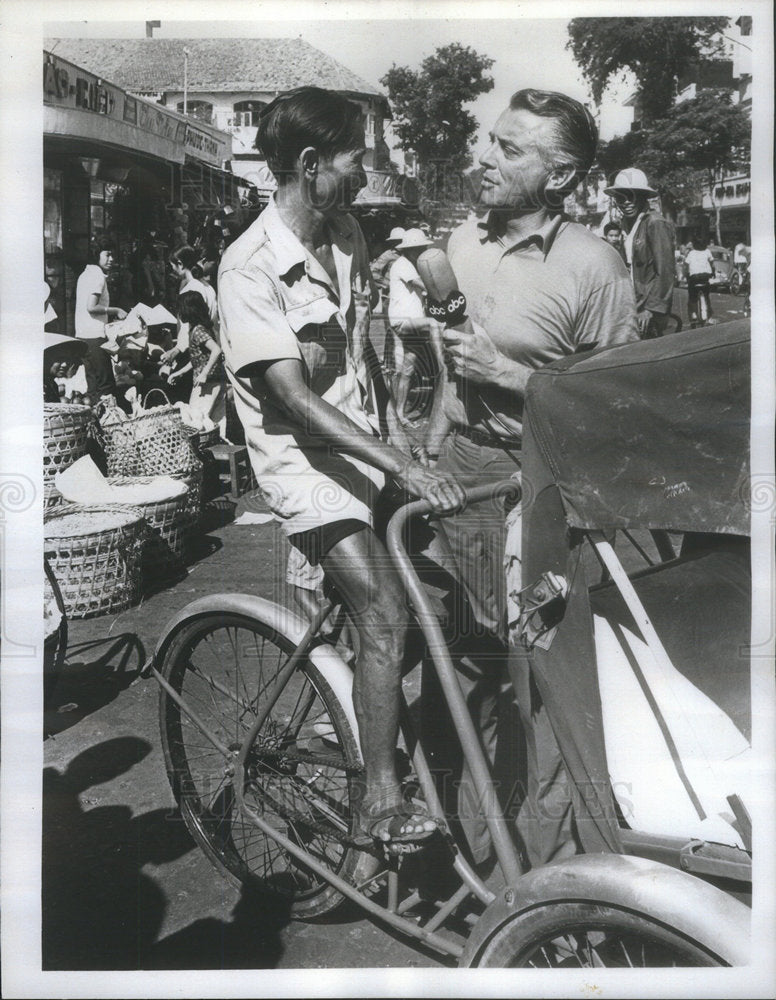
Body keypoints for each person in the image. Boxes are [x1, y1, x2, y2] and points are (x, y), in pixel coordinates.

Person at [217, 86, 466, 851]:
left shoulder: (348, 234)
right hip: (303, 465)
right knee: (387, 615)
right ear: (310, 163)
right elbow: (289, 399)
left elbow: (363, 361)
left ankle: (362, 710)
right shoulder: (248, 266)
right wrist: (397, 459)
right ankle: (378, 801)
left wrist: (403, 442)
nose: (368, 170)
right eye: (359, 156)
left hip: (362, 449)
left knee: (445, 606)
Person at [420, 88, 639, 870]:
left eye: (510, 149)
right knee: (468, 670)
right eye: (489, 138)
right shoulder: (462, 242)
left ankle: (556, 886)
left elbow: (618, 409)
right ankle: (480, 856)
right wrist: (430, 447)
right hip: (461, 480)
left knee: (541, 688)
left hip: (541, 488)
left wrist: (514, 377)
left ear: (562, 175)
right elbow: (449, 374)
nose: (483, 155)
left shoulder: (594, 265)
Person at [604, 167, 675, 339]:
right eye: (621, 197)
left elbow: (665, 270)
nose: (626, 202)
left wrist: (651, 309)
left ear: (643, 197)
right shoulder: (626, 225)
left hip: (647, 311)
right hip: (630, 307)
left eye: (632, 196)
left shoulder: (655, 223)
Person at [387, 227, 437, 428]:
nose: (423, 250)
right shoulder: (403, 264)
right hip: (404, 321)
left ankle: (400, 413)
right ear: (409, 249)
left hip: (412, 323)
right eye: (420, 248)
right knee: (436, 329)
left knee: (408, 369)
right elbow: (424, 286)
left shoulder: (410, 264)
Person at [169, 290, 228, 439]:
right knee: (215, 420)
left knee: (197, 420)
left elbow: (216, 350)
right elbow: (199, 358)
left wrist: (204, 374)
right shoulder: (201, 328)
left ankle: (205, 454)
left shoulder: (197, 330)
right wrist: (180, 372)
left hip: (207, 383)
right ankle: (219, 452)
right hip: (216, 379)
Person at [74, 239, 127, 400]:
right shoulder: (97, 275)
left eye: (113, 255)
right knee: (106, 386)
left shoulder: (85, 274)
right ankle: (109, 423)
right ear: (96, 255)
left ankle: (95, 423)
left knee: (93, 387)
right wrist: (116, 310)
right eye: (107, 255)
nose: (112, 259)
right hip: (95, 337)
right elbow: (91, 306)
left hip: (83, 336)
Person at [44, 333, 87, 403]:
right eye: (59, 359)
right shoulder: (42, 386)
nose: (64, 365)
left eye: (67, 360)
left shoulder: (52, 384)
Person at [684, 237, 715, 328]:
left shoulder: (691, 253)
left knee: (692, 298)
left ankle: (693, 316)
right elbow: (712, 263)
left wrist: (686, 275)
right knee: (706, 296)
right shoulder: (707, 252)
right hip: (705, 277)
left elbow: (686, 265)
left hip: (694, 278)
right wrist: (713, 272)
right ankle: (708, 317)